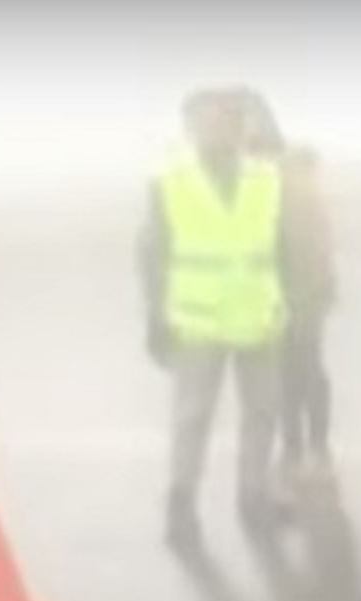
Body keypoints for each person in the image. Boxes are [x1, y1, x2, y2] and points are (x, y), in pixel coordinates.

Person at [139, 87, 292, 548]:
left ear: (241, 125)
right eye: (205, 120)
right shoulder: (170, 183)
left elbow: (278, 248)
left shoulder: (267, 178)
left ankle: (254, 498)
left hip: (259, 317)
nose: (217, 127)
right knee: (192, 419)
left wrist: (289, 305)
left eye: (227, 118)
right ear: (190, 129)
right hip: (199, 322)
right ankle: (180, 508)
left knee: (263, 414)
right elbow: (152, 255)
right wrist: (155, 318)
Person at [238, 91, 338, 486]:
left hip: (299, 292)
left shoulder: (285, 175)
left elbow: (311, 240)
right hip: (270, 293)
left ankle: (313, 448)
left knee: (304, 370)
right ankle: (298, 447)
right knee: (286, 375)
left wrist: (309, 292)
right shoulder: (254, 175)